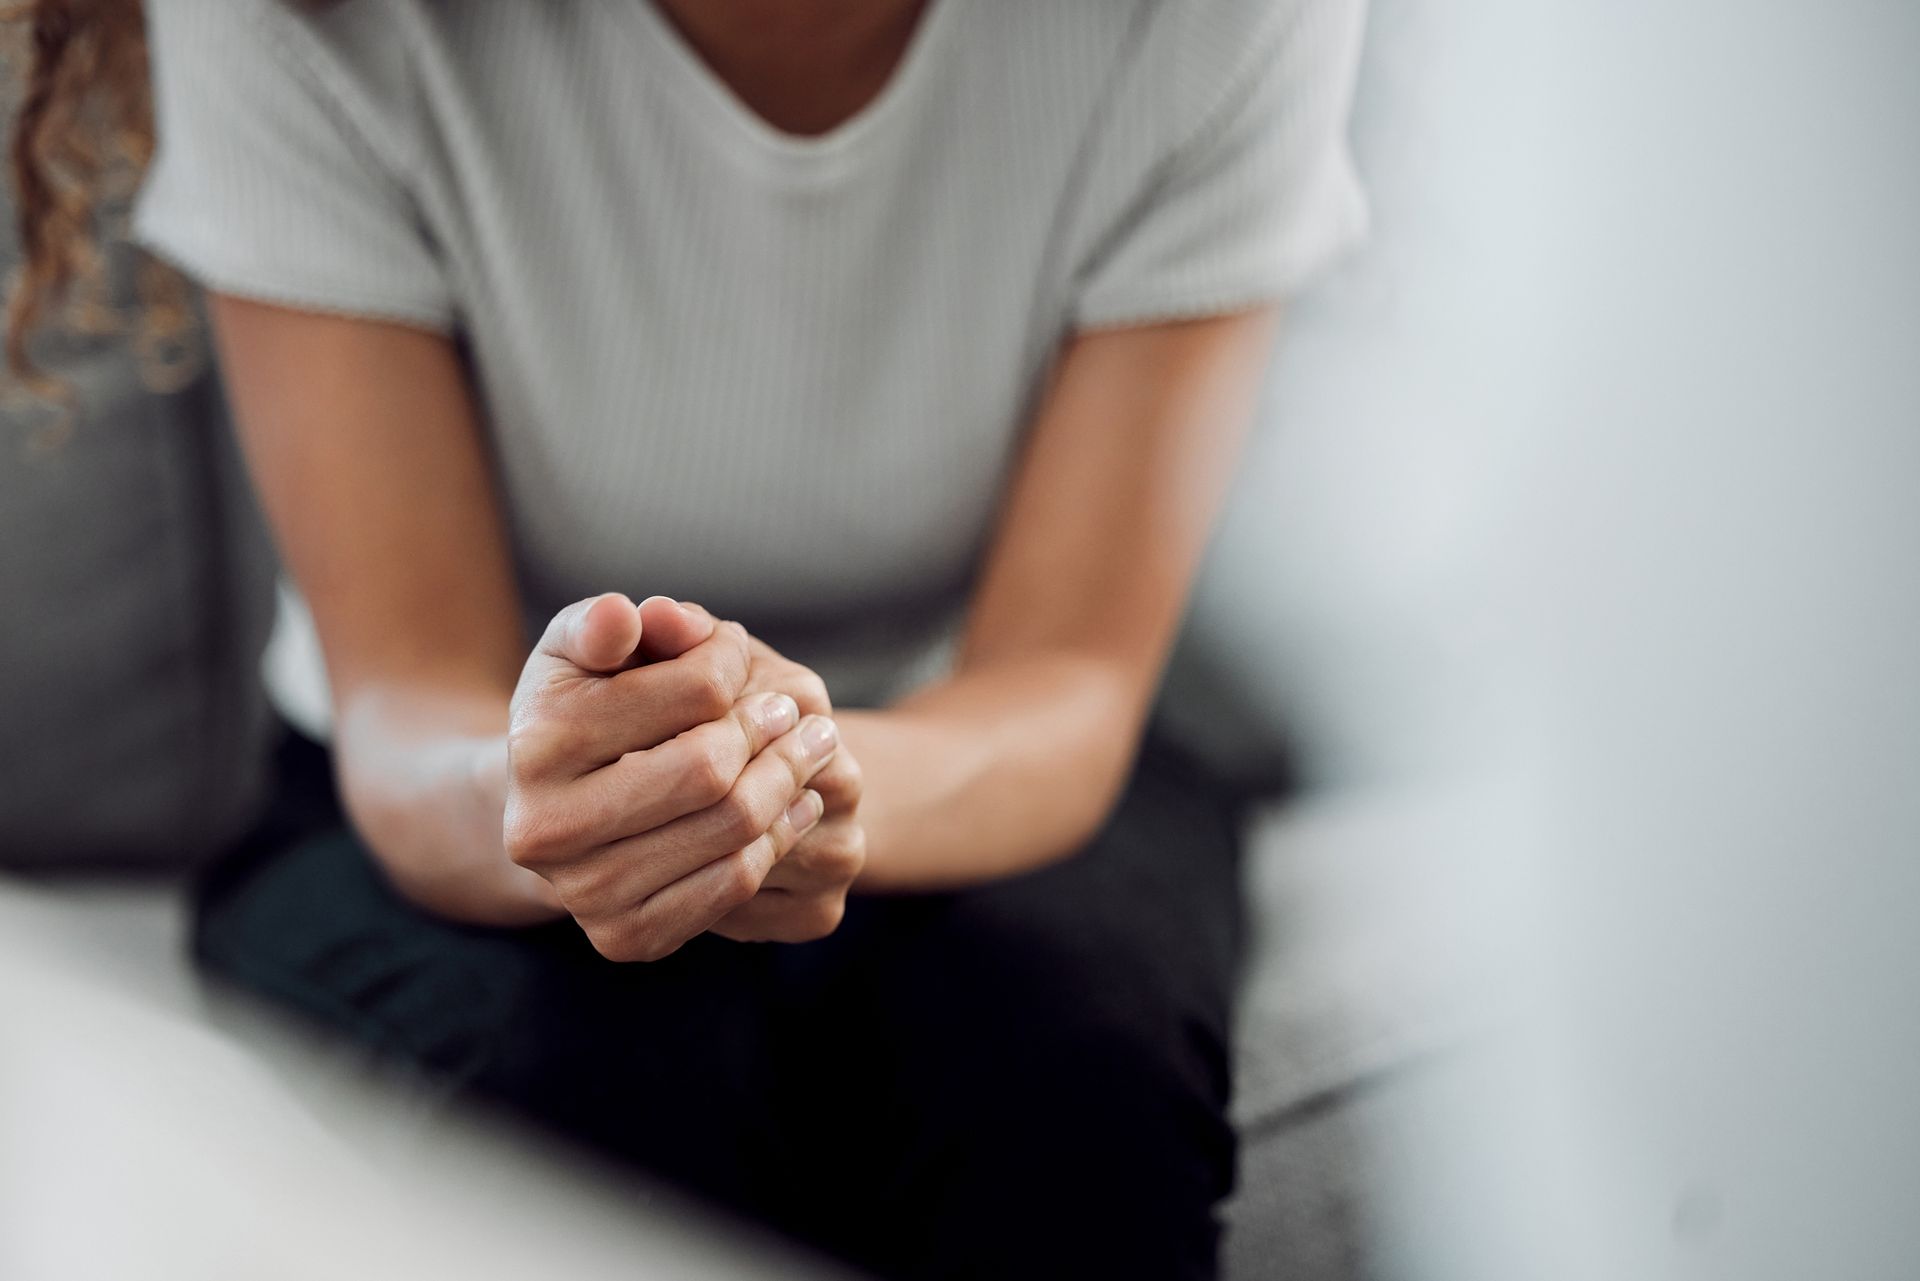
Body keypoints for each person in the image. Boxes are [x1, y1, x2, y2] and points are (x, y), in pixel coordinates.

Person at [6, 1, 1368, 1276]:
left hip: (974, 743)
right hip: (454, 779)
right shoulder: (302, 18)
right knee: (585, 1101)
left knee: (1073, 1084)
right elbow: (411, 691)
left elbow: (1067, 675)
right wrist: (558, 791)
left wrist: (793, 777)